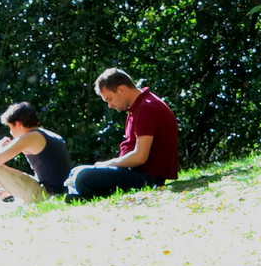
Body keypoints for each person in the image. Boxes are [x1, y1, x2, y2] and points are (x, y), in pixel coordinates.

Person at [64, 68, 179, 200]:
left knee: (83, 176)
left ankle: (80, 194)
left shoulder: (146, 108)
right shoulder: (138, 106)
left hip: (147, 178)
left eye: (109, 99)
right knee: (76, 171)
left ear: (121, 90)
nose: (110, 105)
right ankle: (79, 194)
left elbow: (140, 157)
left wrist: (107, 164)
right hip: (133, 171)